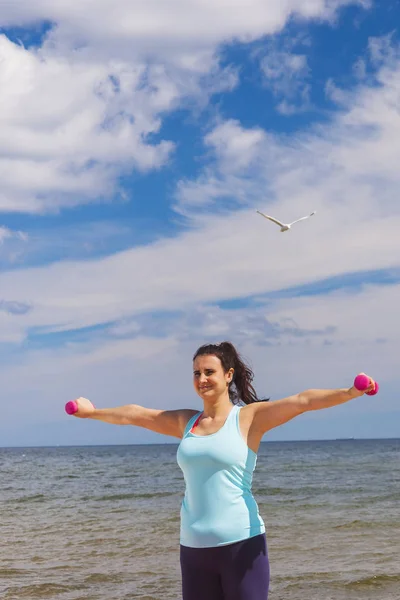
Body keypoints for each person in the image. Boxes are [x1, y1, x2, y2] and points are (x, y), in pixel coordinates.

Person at [70, 341, 375, 600]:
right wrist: (91, 413)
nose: (201, 378)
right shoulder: (185, 423)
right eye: (196, 373)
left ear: (228, 375)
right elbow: (135, 415)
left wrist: (350, 392)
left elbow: (302, 401)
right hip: (193, 548)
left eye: (209, 372)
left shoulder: (249, 419)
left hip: (241, 544)